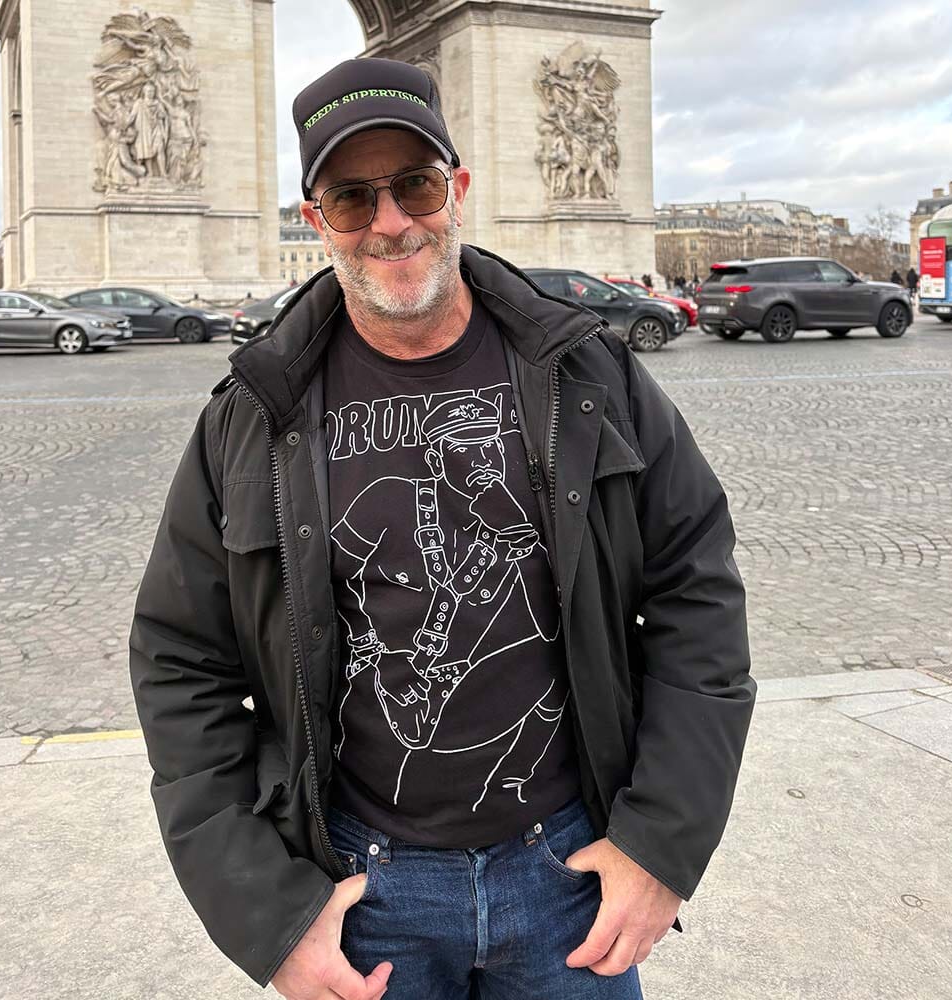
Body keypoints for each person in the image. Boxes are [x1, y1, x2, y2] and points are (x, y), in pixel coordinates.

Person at [130, 57, 755, 1000]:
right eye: (351, 197)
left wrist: (662, 844)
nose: (391, 222)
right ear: (316, 220)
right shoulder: (249, 418)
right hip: (363, 889)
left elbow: (695, 597)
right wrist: (266, 912)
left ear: (457, 189)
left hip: (568, 876)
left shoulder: (594, 379)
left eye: (415, 183)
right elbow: (181, 660)